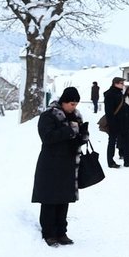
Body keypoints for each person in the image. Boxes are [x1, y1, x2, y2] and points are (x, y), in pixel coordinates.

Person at [31, 86, 89, 246]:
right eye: (71, 103)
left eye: (76, 104)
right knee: (50, 199)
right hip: (51, 163)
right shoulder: (48, 116)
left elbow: (77, 140)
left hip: (68, 164)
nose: (74, 107)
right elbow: (47, 137)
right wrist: (69, 131)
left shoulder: (76, 116)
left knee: (64, 199)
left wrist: (83, 135)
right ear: (63, 102)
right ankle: (48, 233)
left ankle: (61, 232)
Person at [102, 77, 126, 168]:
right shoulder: (110, 94)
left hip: (120, 121)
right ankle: (110, 161)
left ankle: (124, 157)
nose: (123, 85)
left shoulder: (118, 93)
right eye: (121, 83)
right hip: (114, 122)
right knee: (112, 142)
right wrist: (112, 124)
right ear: (115, 83)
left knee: (120, 140)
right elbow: (109, 111)